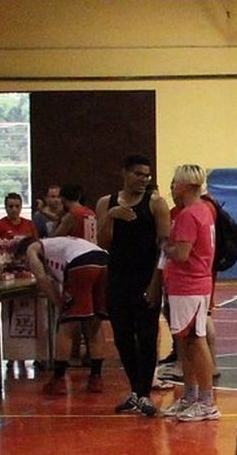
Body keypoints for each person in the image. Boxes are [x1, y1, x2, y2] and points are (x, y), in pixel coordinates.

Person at [94, 155, 171, 416]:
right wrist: (111, 217)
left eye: (147, 176)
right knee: (122, 338)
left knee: (147, 337)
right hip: (117, 278)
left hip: (145, 278)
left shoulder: (156, 204)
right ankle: (136, 391)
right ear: (124, 174)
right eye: (138, 174)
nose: (143, 179)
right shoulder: (106, 202)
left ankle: (144, 393)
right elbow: (103, 243)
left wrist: (156, 282)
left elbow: (165, 247)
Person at [160, 165, 219, 421]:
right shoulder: (204, 211)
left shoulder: (188, 215)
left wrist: (166, 247)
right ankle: (191, 395)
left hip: (189, 284)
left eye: (175, 183)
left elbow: (182, 253)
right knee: (185, 343)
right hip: (191, 284)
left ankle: (207, 402)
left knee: (195, 341)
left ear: (186, 185)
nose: (172, 187)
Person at [20, 236, 109, 396]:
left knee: (67, 325)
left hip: (80, 265)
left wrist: (58, 303)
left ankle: (58, 379)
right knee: (94, 323)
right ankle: (96, 377)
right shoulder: (57, 244)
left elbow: (41, 279)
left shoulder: (32, 249)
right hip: (105, 261)